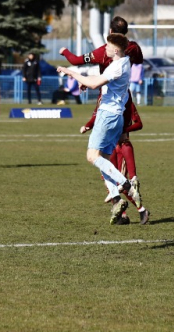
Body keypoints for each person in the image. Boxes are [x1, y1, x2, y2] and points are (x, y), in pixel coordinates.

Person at [59, 16, 148, 223]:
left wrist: (71, 73)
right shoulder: (124, 60)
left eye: (108, 44)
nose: (104, 48)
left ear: (115, 48)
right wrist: (87, 81)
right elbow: (98, 82)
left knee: (92, 156)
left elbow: (92, 83)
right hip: (116, 115)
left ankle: (125, 184)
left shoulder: (116, 65)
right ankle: (119, 201)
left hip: (107, 114)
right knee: (105, 161)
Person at [81, 91, 149, 224]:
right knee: (108, 179)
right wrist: (88, 125)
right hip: (110, 146)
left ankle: (141, 210)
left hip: (122, 147)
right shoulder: (103, 96)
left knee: (121, 184)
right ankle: (122, 215)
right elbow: (96, 114)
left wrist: (124, 130)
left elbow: (139, 123)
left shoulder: (125, 101)